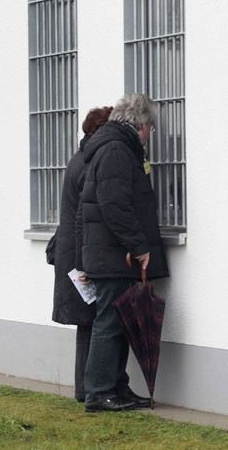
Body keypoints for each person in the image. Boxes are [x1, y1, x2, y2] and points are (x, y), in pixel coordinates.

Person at [78, 93, 170, 412]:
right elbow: (114, 204)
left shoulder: (114, 146)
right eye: (150, 128)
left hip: (112, 253)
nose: (149, 134)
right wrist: (139, 246)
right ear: (141, 124)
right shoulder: (117, 149)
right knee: (110, 324)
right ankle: (100, 392)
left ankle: (116, 388)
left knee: (118, 323)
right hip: (113, 255)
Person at [52, 106, 114, 402]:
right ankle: (88, 388)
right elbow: (82, 218)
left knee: (86, 322)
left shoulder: (78, 159)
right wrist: (83, 264)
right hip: (79, 254)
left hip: (71, 251)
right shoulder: (90, 163)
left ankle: (83, 387)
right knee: (92, 321)